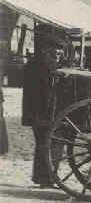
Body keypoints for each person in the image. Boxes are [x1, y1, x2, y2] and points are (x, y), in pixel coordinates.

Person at [22, 33, 62, 186]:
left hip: (35, 111)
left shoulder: (37, 62)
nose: (59, 52)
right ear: (47, 48)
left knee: (42, 143)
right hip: (42, 111)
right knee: (47, 143)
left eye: (60, 50)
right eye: (57, 49)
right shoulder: (45, 64)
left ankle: (41, 176)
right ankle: (46, 178)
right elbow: (45, 92)